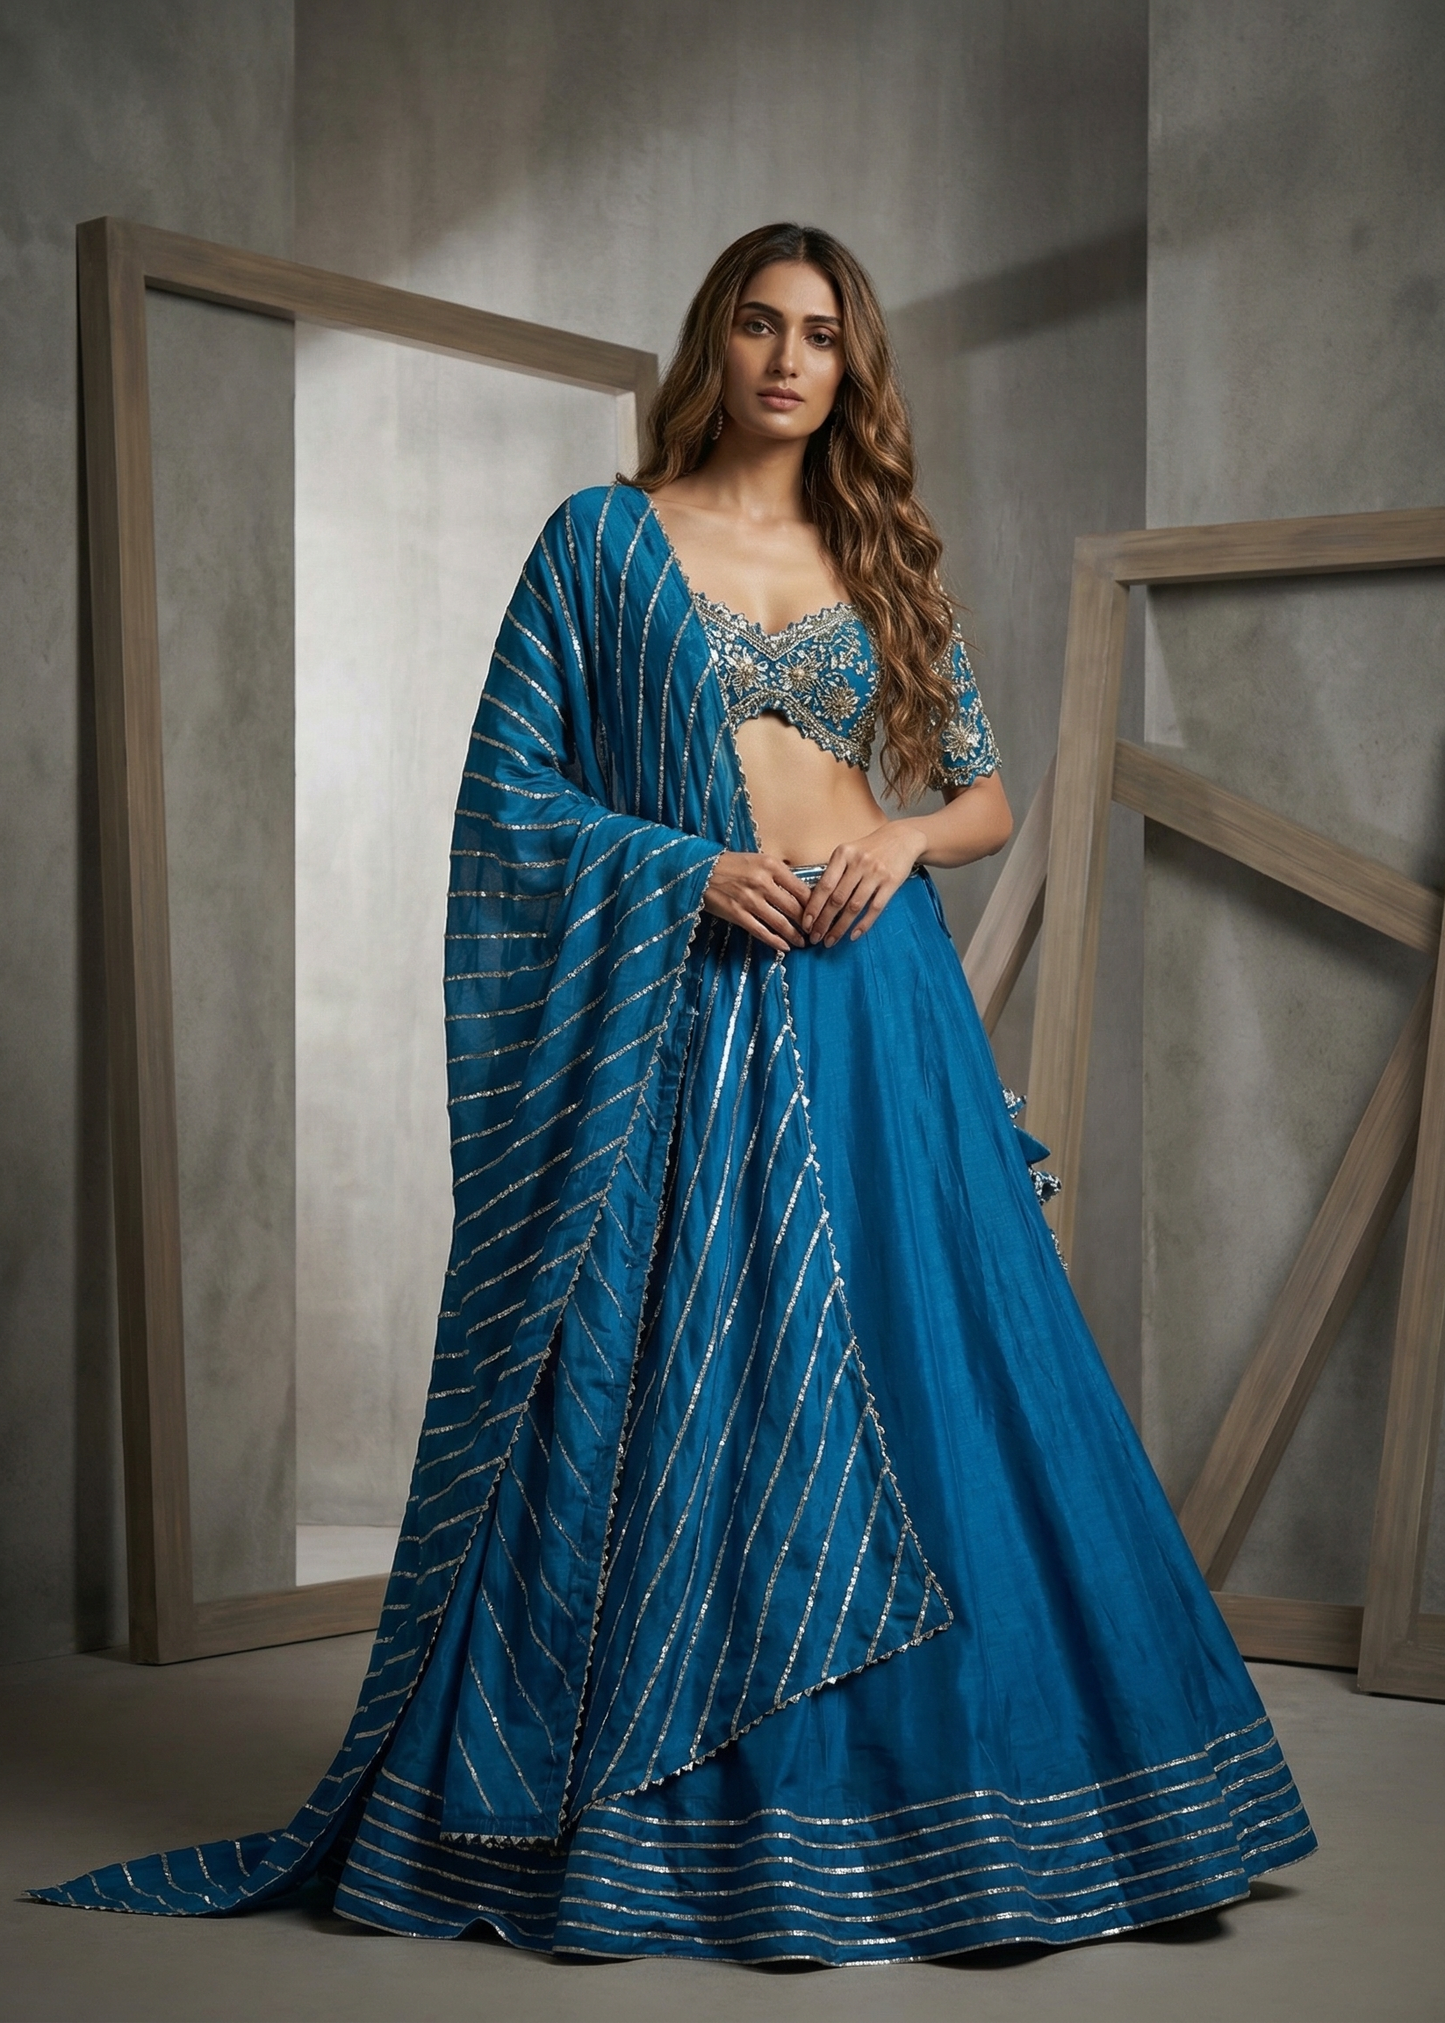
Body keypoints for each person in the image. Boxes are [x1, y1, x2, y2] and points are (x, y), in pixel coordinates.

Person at [35, 223, 1314, 1962]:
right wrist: (679, 870)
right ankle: (694, 1807)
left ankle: (993, 1802)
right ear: (712, 341)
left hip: (879, 1015)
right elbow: (511, 797)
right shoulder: (599, 543)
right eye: (763, 327)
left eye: (824, 337)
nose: (792, 361)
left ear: (852, 368)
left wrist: (891, 836)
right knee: (692, 1384)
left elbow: (987, 799)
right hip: (688, 1014)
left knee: (949, 1387)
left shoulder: (882, 560)